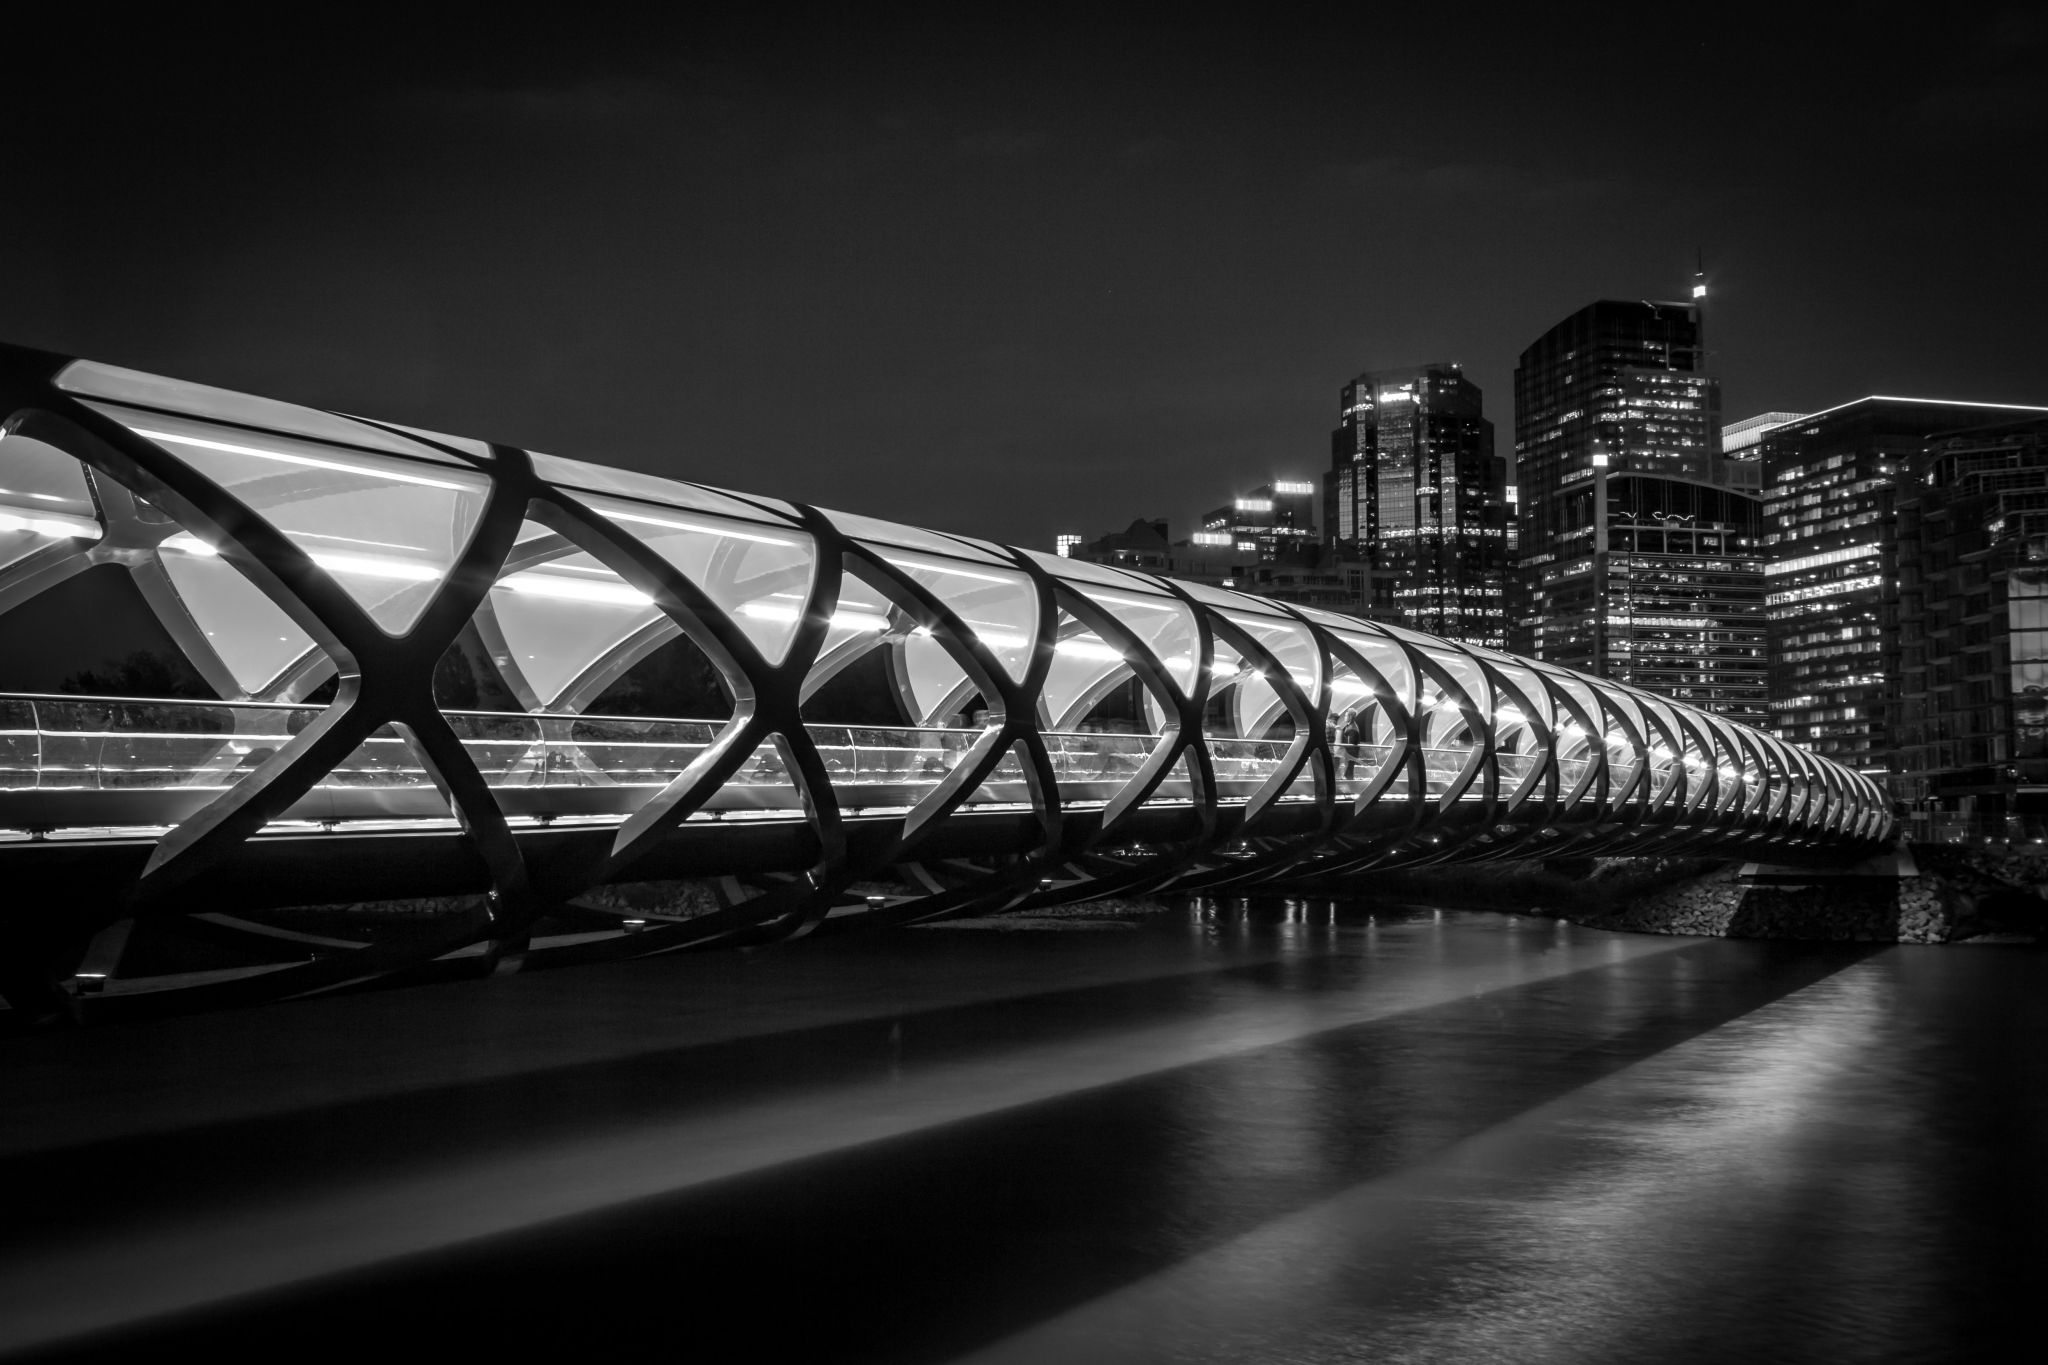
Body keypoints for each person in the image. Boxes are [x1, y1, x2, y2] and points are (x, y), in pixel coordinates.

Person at [1338, 710, 1363, 782]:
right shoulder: (1351, 726)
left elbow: (1350, 744)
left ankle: (1349, 788)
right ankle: (1349, 787)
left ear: (1350, 717)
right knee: (1348, 771)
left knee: (1349, 772)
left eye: (1346, 716)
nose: (1344, 717)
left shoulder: (1352, 728)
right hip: (1350, 754)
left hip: (1350, 754)